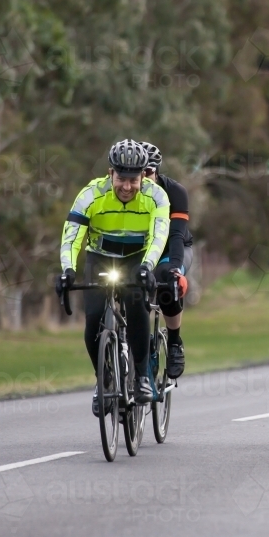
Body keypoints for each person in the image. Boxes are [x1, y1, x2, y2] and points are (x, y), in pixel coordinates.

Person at [56, 139, 170, 415]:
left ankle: (143, 376)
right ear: (110, 173)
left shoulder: (157, 196)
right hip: (100, 257)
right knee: (93, 318)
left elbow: (158, 235)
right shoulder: (91, 195)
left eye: (134, 180)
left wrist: (148, 266)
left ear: (143, 175)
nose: (127, 187)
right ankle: (103, 380)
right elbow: (72, 237)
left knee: (136, 305)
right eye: (121, 179)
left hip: (137, 258)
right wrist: (67, 269)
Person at [139, 141, 193, 379]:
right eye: (137, 173)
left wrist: (175, 270)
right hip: (140, 252)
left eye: (147, 172)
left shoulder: (174, 192)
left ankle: (174, 343)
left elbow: (177, 235)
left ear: (157, 171)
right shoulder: (124, 191)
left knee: (165, 281)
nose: (142, 178)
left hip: (172, 248)